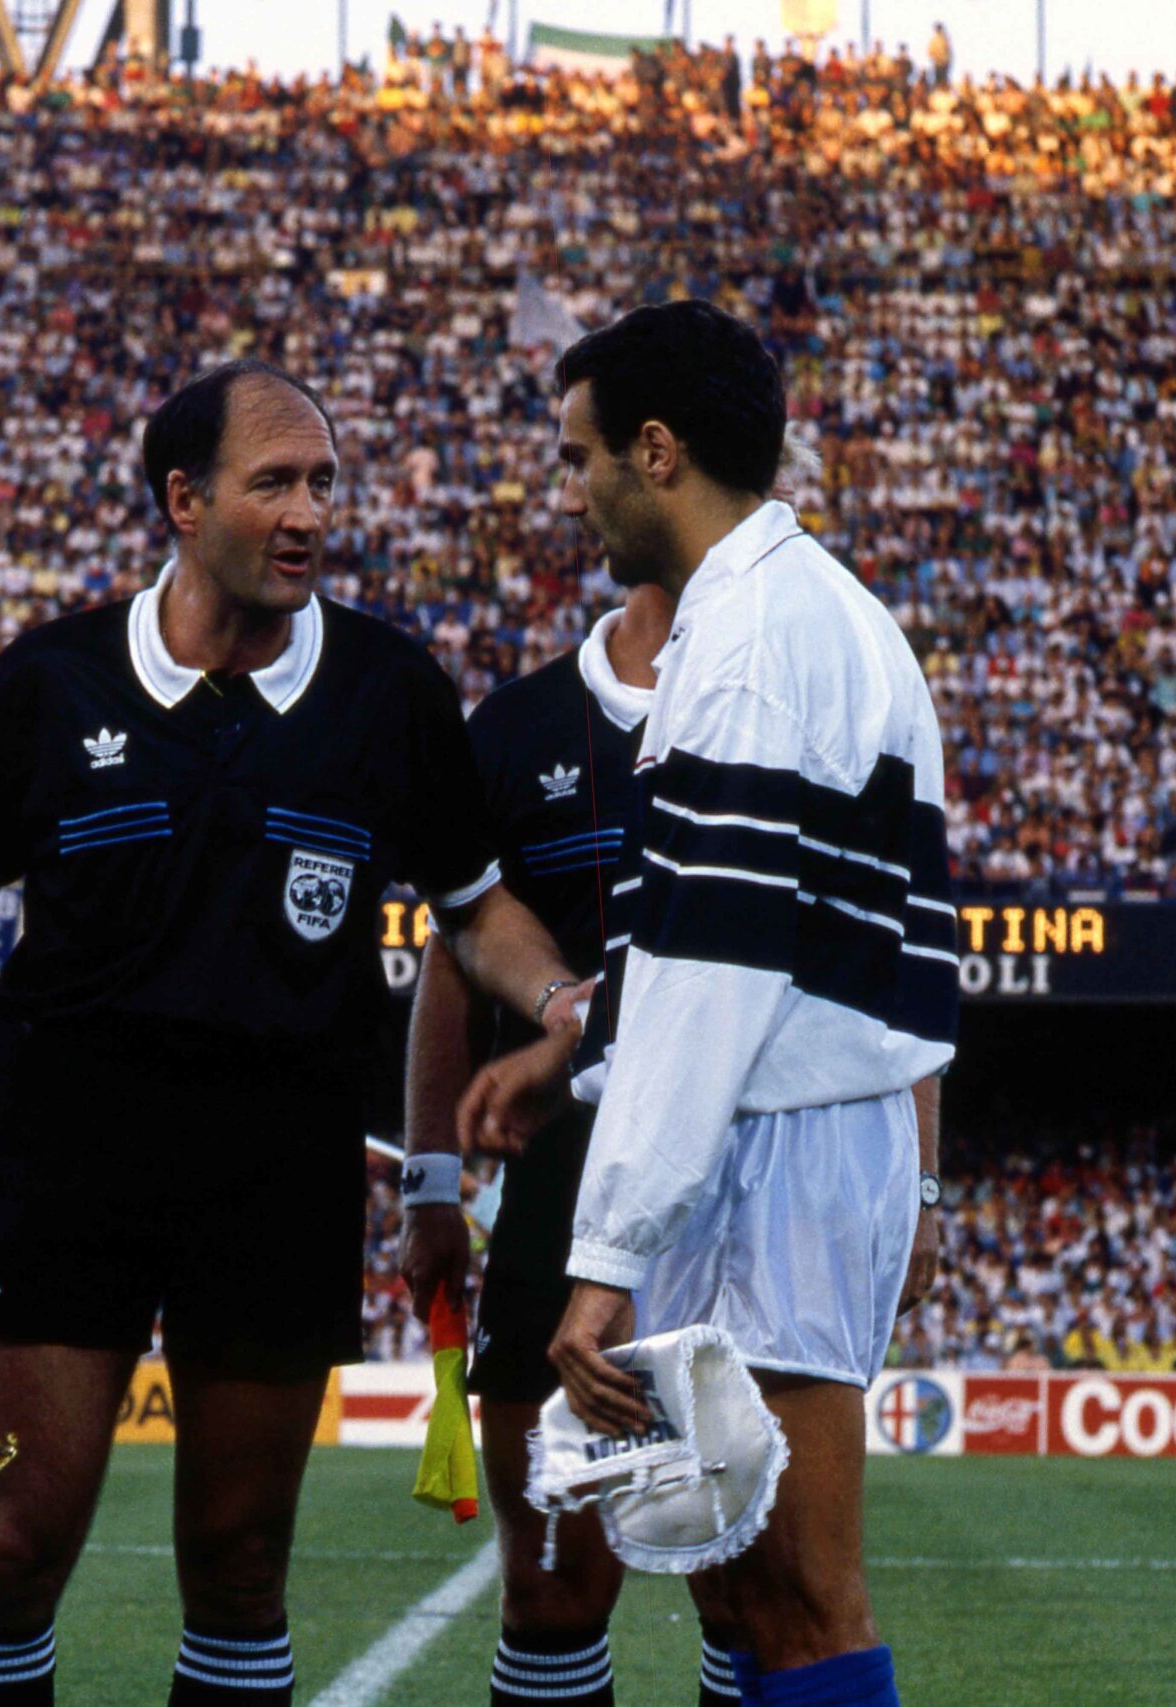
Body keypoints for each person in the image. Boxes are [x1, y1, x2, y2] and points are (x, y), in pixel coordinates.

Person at [0, 359, 590, 1706]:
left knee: (240, 1557)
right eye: (274, 479)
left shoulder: (390, 688)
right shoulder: (51, 678)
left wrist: (556, 994)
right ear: (182, 498)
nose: (309, 510)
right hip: (72, 1148)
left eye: (324, 481)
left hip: (282, 1157)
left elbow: (476, 905)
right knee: (21, 1543)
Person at [463, 301, 954, 1707]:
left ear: (657, 451)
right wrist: (576, 1051)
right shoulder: (817, 617)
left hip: (776, 1154)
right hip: (791, 1139)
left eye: (582, 457)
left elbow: (720, 966)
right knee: (742, 1590)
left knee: (797, 1595)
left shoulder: (746, 646)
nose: (576, 492)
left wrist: (606, 1250)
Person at [400, 581, 743, 1707]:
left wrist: (920, 1184)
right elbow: (454, 954)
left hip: (745, 1179)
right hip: (563, 1179)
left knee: (752, 1592)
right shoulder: (513, 730)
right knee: (550, 1598)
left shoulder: (777, 694)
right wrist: (430, 1188)